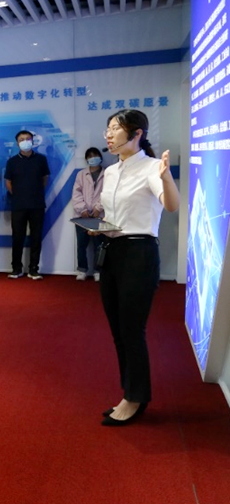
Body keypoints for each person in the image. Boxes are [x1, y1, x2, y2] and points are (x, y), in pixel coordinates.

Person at [97, 109, 179, 426]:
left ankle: (135, 398)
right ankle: (129, 392)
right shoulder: (111, 171)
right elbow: (114, 215)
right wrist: (99, 228)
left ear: (137, 134)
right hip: (111, 251)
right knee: (118, 331)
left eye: (115, 129)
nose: (109, 134)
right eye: (107, 128)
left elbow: (171, 205)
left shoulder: (151, 167)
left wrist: (166, 177)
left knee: (132, 330)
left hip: (139, 254)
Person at [5, 130, 49, 280]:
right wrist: (18, 194)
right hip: (18, 205)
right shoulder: (12, 162)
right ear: (17, 143)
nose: (25, 142)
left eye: (27, 139)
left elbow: (44, 179)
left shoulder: (41, 159)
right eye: (21, 139)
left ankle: (33, 269)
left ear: (33, 141)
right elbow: (8, 182)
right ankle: (16, 269)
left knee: (36, 237)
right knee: (17, 237)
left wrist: (34, 192)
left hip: (37, 204)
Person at [72, 147, 105, 281]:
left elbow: (108, 193)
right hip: (82, 216)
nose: (93, 159)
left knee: (99, 245)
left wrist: (98, 208)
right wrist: (83, 209)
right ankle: (82, 270)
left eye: (95, 156)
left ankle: (98, 271)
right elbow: (76, 193)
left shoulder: (107, 174)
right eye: (90, 156)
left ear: (100, 157)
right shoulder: (81, 174)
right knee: (81, 245)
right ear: (86, 159)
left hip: (100, 216)